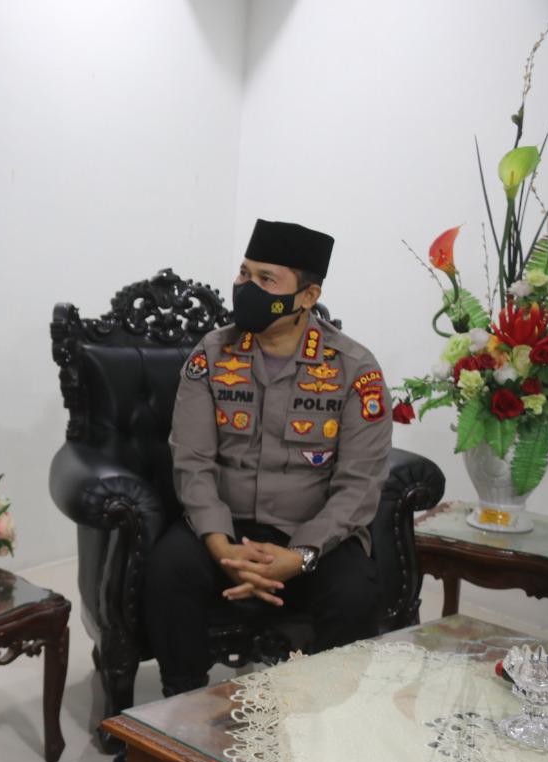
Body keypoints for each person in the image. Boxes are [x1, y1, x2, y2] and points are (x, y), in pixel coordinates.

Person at [144, 219, 391, 700]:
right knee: (169, 571)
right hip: (226, 524)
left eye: (265, 279)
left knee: (355, 593)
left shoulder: (354, 369)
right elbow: (192, 460)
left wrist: (299, 556)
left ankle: (330, 717)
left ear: (307, 295)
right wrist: (221, 547)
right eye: (244, 273)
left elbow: (360, 483)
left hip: (313, 533)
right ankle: (180, 709)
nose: (246, 287)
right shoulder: (212, 355)